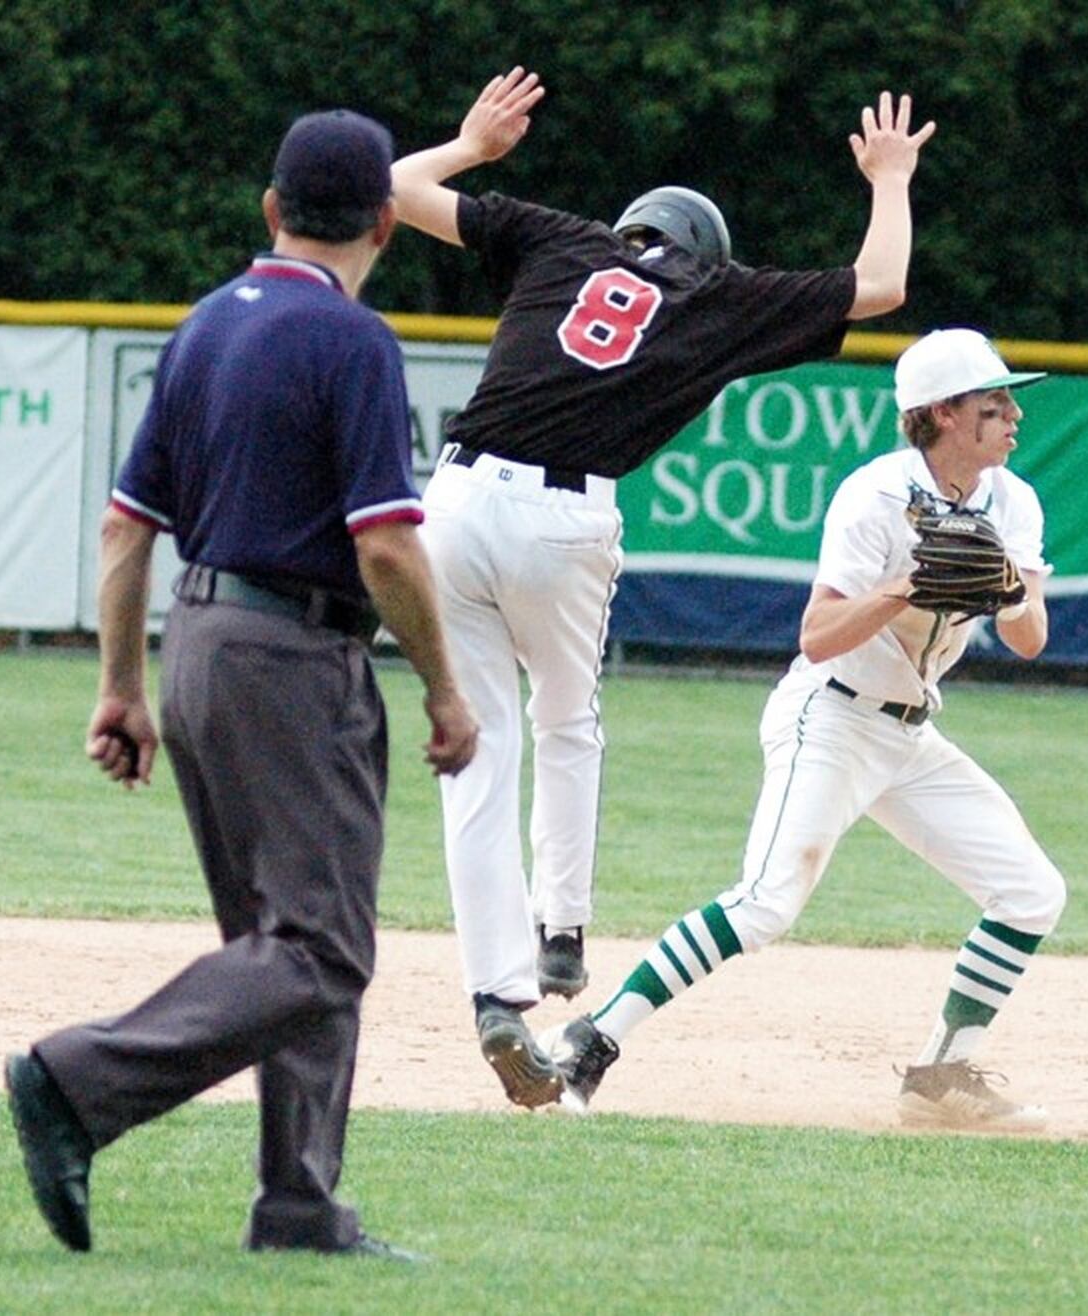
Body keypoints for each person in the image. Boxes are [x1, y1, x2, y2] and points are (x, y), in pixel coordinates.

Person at [388, 68, 939, 1109]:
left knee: (473, 744)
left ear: (630, 227)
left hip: (452, 503)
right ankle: (561, 934)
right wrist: (891, 176)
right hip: (565, 517)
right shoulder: (718, 295)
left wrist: (469, 144)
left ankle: (494, 993)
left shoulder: (557, 236)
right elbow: (881, 284)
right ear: (705, 252)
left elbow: (391, 188)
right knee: (568, 722)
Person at [2, 109, 477, 1258]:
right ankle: (75, 1078)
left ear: (271, 211)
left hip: (199, 643)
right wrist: (445, 689)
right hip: (293, 660)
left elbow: (125, 533)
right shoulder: (351, 341)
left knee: (284, 944)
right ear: (383, 222)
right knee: (316, 951)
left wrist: (122, 686)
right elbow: (384, 546)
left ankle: (301, 1202)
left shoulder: (207, 323)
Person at [540, 328, 1067, 1132]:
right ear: (942, 415)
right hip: (831, 715)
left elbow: (1030, 639)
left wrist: (1007, 592)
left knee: (1031, 893)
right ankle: (588, 1040)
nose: (1011, 413)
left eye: (1009, 399)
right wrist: (903, 590)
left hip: (909, 735)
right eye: (993, 400)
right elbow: (818, 636)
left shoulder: (1013, 501)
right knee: (766, 903)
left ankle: (937, 1079)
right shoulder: (876, 495)